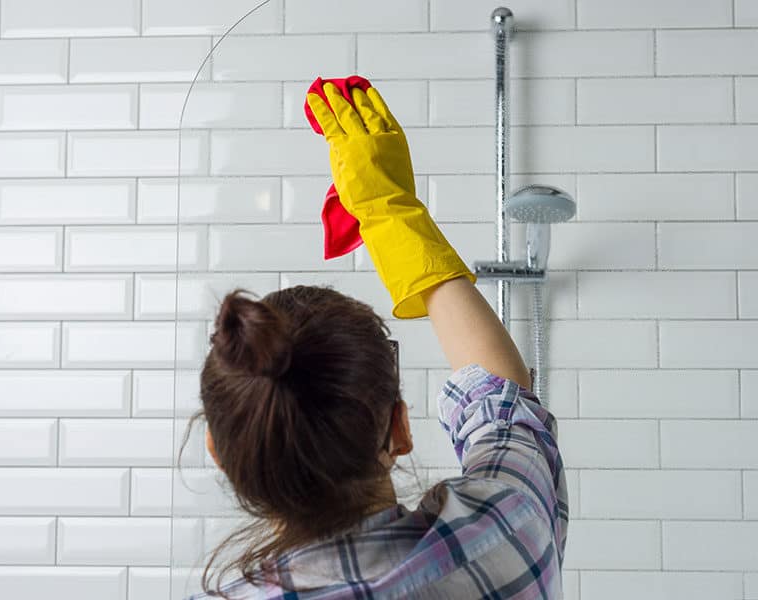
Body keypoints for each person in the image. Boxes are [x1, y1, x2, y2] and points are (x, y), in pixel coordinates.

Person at [182, 81, 568, 599]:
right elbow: (505, 403)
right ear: (400, 428)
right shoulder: (504, 531)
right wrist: (393, 214)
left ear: (221, 455)